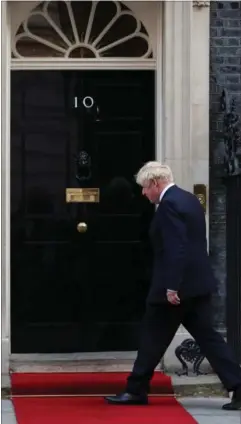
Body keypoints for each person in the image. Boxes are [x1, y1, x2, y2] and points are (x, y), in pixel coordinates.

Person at [105, 161, 241, 411]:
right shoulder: (189, 199)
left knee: (152, 337)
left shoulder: (168, 206)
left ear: (155, 183)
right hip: (197, 284)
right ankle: (239, 386)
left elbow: (175, 249)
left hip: (176, 288)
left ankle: (136, 389)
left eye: (145, 188)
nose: (144, 193)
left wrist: (171, 286)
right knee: (209, 339)